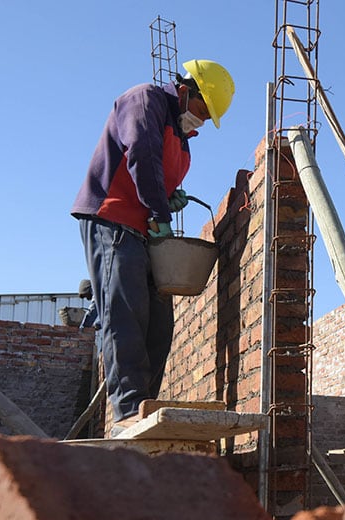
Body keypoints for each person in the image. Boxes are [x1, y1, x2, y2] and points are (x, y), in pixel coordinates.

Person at [71, 59, 235, 436]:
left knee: (160, 325)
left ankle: (146, 404)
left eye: (210, 117)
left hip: (145, 231)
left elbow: (159, 175)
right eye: (202, 109)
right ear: (185, 90)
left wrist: (170, 197)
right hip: (111, 221)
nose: (203, 121)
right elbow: (142, 157)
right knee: (125, 313)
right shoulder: (144, 101)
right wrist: (160, 209)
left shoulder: (182, 137)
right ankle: (128, 411)